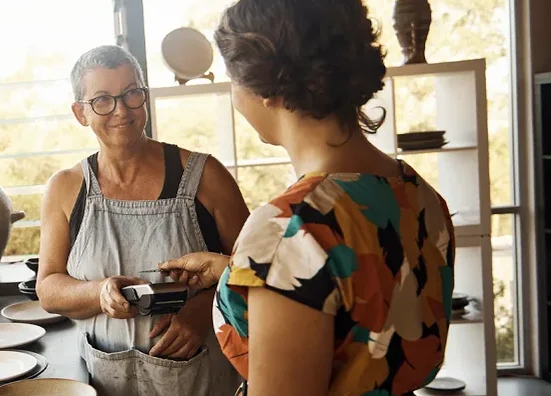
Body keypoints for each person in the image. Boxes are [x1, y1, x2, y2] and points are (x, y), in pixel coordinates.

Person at [158, 1, 457, 395]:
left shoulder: (286, 229)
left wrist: (265, 262)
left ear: (267, 87)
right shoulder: (420, 195)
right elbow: (359, 297)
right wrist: (236, 269)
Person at [36, 44, 247, 396]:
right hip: (105, 378)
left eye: (131, 94)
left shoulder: (206, 176)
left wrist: (201, 310)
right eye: (102, 99)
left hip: (201, 378)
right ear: (80, 113)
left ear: (144, 97)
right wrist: (97, 292)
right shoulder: (65, 188)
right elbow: (48, 288)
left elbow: (255, 274)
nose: (121, 110)